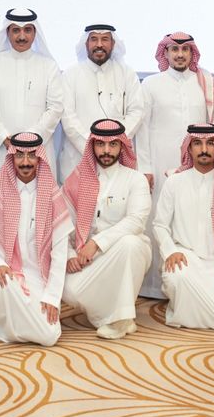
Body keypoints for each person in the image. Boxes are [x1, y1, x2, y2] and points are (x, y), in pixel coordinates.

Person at [151, 124, 214, 331]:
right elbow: (160, 225)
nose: (204, 149)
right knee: (177, 276)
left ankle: (191, 309)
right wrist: (170, 252)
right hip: (186, 258)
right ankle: (184, 310)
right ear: (189, 148)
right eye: (197, 143)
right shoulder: (175, 182)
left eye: (210, 143)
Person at [0, 133, 72, 346]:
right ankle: (12, 323)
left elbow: (60, 253)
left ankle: (6, 327)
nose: (25, 162)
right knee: (6, 284)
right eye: (19, 155)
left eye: (31, 156)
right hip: (6, 272)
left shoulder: (52, 196)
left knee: (50, 335)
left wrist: (52, 297)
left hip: (39, 275)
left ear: (40, 158)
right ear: (12, 157)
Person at [61, 119, 153, 340]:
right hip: (87, 257)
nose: (106, 150)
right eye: (100, 144)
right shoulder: (76, 180)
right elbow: (63, 225)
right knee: (69, 290)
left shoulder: (135, 179)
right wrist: (70, 254)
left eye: (113, 144)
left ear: (122, 146)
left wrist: (96, 243)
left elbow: (136, 221)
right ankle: (108, 314)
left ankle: (120, 319)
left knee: (130, 243)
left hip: (124, 252)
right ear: (92, 146)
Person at [0, 8, 65, 202]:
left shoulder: (49, 65)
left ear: (35, 33)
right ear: (7, 32)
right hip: (0, 147)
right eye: (16, 30)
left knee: (37, 203)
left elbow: (55, 107)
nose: (22, 36)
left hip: (38, 148)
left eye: (27, 30)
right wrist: (5, 138)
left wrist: (31, 141)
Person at [60, 24, 146, 180]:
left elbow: (137, 111)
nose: (99, 44)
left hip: (117, 156)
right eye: (94, 39)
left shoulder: (127, 73)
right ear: (86, 43)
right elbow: (67, 116)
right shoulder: (70, 74)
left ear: (113, 43)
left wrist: (114, 142)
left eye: (105, 39)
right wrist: (91, 145)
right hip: (78, 157)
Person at [137, 31, 214, 189]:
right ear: (165, 53)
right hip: (160, 162)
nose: (180, 54)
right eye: (174, 49)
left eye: (185, 49)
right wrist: (144, 168)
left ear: (192, 53)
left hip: (198, 162)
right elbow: (142, 129)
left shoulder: (207, 83)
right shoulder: (150, 84)